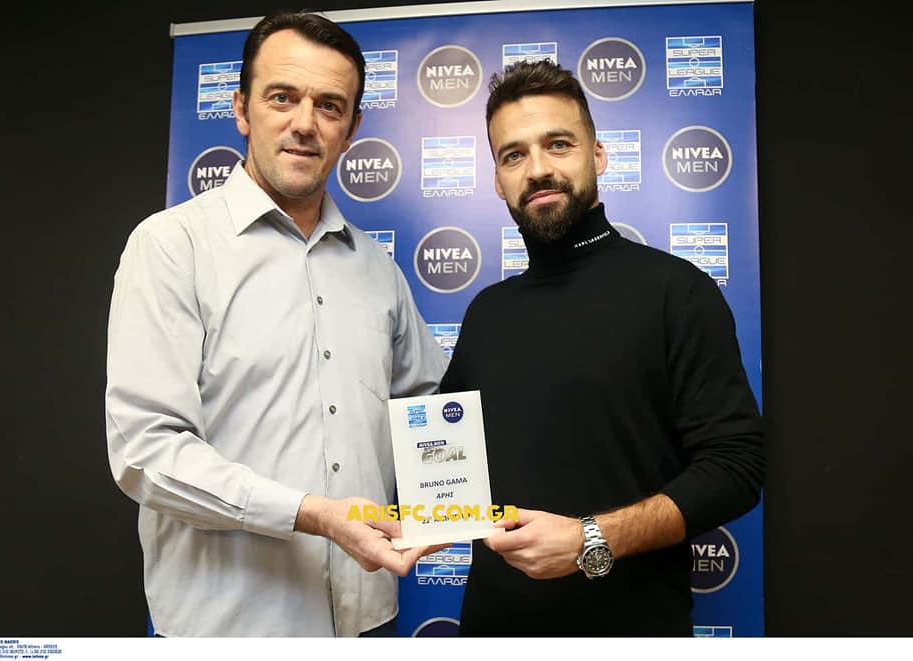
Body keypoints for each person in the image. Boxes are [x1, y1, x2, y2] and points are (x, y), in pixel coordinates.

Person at [105, 12, 447, 637]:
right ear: (241, 109)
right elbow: (147, 452)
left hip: (367, 622)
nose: (304, 124)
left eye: (329, 106)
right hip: (231, 628)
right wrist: (311, 513)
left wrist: (452, 505)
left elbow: (427, 409)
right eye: (282, 97)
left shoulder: (379, 270)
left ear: (352, 130)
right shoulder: (172, 247)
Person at [439, 60, 766, 636]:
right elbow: (445, 466)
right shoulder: (486, 313)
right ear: (497, 180)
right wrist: (408, 516)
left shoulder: (676, 291)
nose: (538, 169)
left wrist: (590, 539)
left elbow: (737, 466)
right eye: (513, 155)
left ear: (598, 154)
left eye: (558, 144)